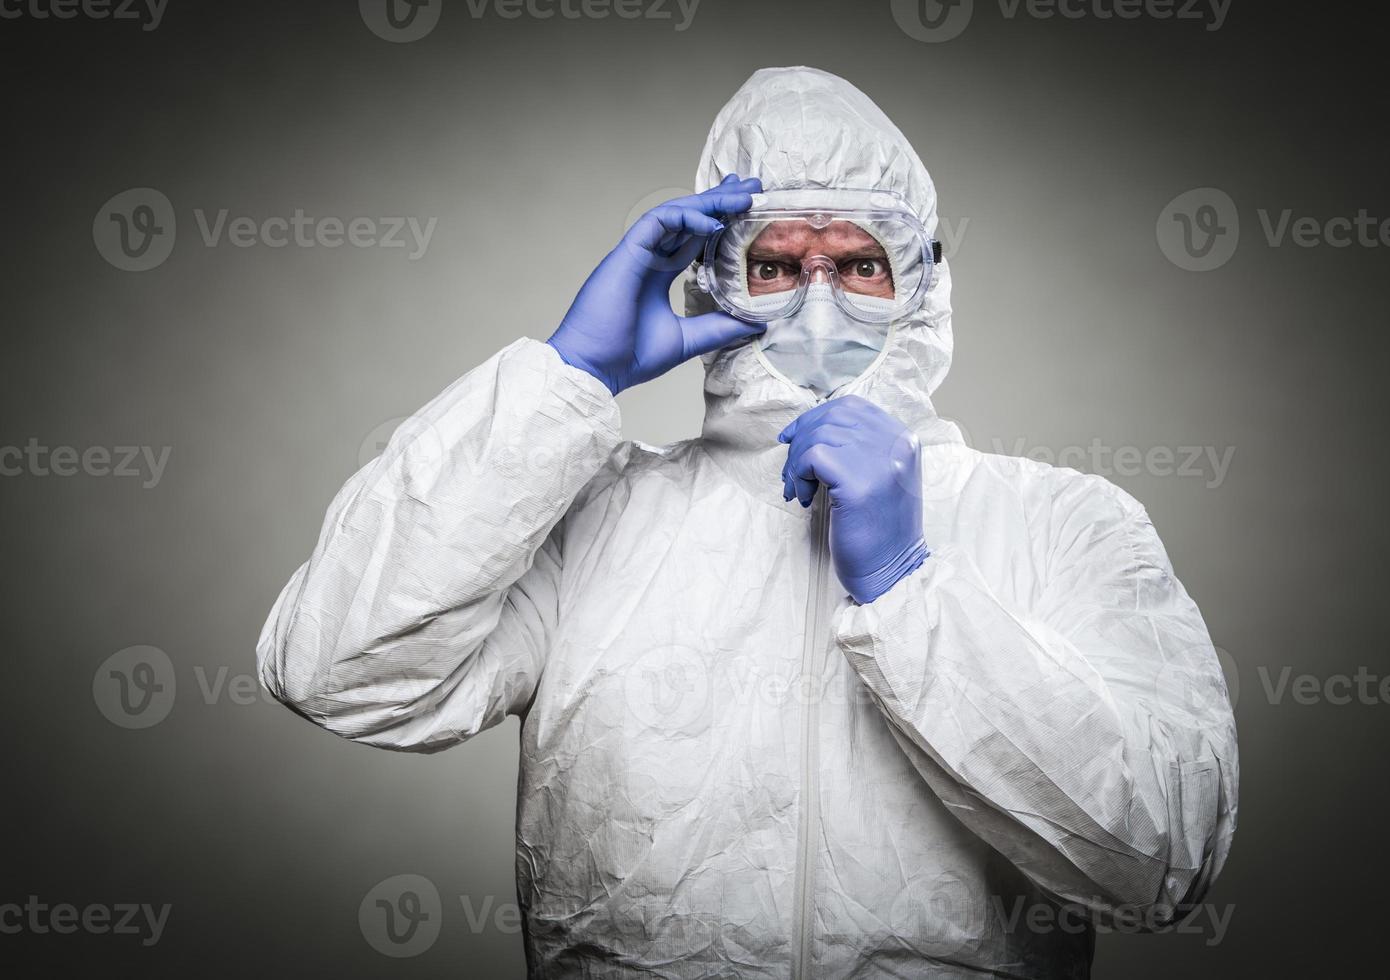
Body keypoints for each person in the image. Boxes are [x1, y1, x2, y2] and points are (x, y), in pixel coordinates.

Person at [257, 66, 1238, 978]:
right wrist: (566, 378)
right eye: (773, 265)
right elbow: (342, 672)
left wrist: (909, 587)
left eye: (859, 263)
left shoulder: (1061, 523)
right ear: (712, 284)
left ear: (925, 287)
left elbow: (1163, 859)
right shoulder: (595, 515)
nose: (818, 303)